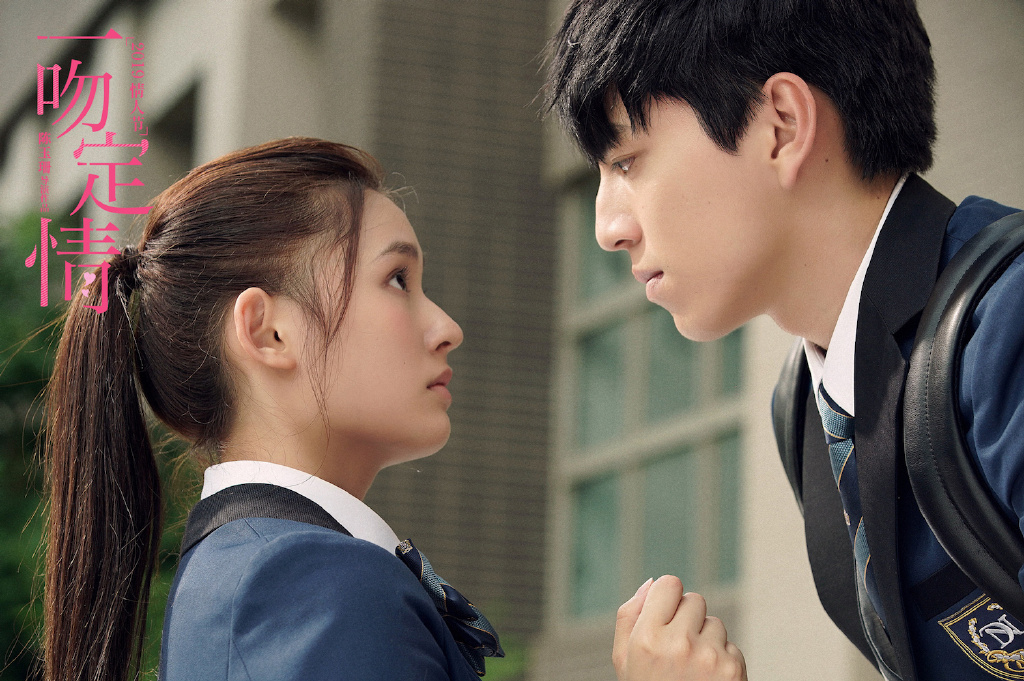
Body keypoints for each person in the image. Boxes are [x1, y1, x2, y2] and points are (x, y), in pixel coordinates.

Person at [543, 1, 1023, 680]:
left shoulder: (1005, 325)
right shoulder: (803, 406)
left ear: (783, 125)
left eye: (626, 161)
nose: (608, 228)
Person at [41, 138, 503, 681]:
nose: (448, 329)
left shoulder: (247, 575)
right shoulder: (322, 587)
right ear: (268, 332)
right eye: (397, 279)